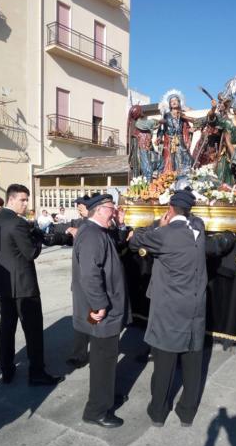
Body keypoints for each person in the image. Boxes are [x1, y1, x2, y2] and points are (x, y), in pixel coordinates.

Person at [129, 188, 207, 427]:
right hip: (195, 310)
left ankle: (159, 412)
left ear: (170, 210)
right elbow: (194, 220)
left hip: (169, 311)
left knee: (164, 365)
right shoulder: (199, 229)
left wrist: (158, 226)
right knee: (193, 366)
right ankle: (187, 414)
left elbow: (134, 240)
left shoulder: (164, 235)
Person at [0, 184, 64, 386]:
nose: (26, 203)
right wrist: (37, 239)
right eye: (23, 199)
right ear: (11, 199)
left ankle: (7, 369)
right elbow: (30, 253)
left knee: (6, 327)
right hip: (23, 284)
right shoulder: (17, 223)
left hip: (4, 282)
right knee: (33, 330)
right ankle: (37, 373)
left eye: (27, 199)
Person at [72, 194, 130, 428]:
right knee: (103, 360)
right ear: (98, 210)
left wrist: (121, 224)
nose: (114, 212)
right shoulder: (92, 235)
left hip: (106, 309)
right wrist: (99, 305)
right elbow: (90, 274)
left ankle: (105, 397)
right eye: (111, 209)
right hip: (102, 312)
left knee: (105, 358)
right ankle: (96, 410)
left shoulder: (96, 231)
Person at [157, 90, 194, 176]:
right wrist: (159, 137)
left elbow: (187, 126)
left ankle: (184, 177)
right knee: (171, 161)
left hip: (181, 141)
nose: (173, 102)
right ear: (169, 104)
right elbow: (161, 128)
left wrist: (189, 130)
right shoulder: (166, 115)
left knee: (187, 159)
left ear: (179, 102)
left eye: (175, 100)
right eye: (171, 101)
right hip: (170, 142)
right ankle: (172, 178)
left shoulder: (182, 115)